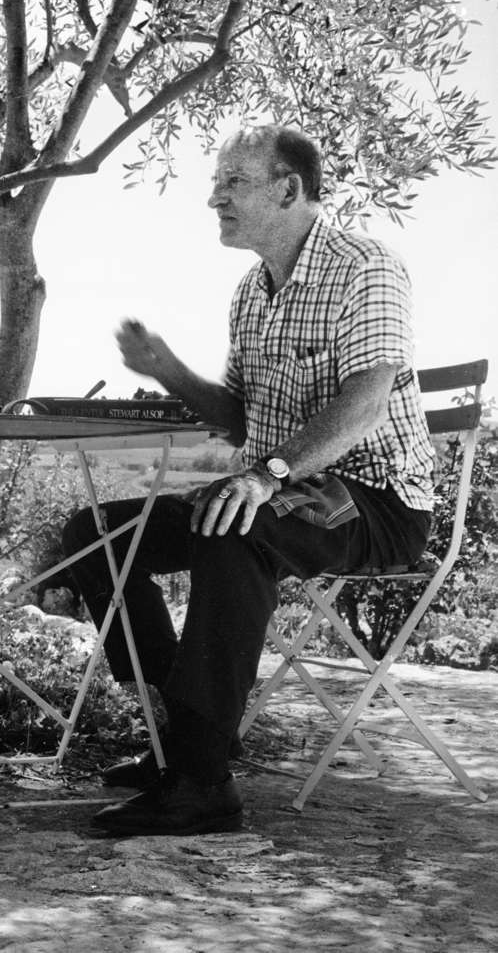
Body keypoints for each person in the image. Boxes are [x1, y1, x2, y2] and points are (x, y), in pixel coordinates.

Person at [61, 123, 435, 836]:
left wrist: (266, 475)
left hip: (373, 501)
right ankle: (189, 735)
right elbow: (239, 416)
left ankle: (201, 785)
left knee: (236, 527)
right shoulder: (250, 292)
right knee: (98, 536)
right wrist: (168, 369)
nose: (215, 199)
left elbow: (365, 404)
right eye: (217, 183)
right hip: (280, 489)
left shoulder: (367, 267)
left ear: (289, 188)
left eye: (233, 181)